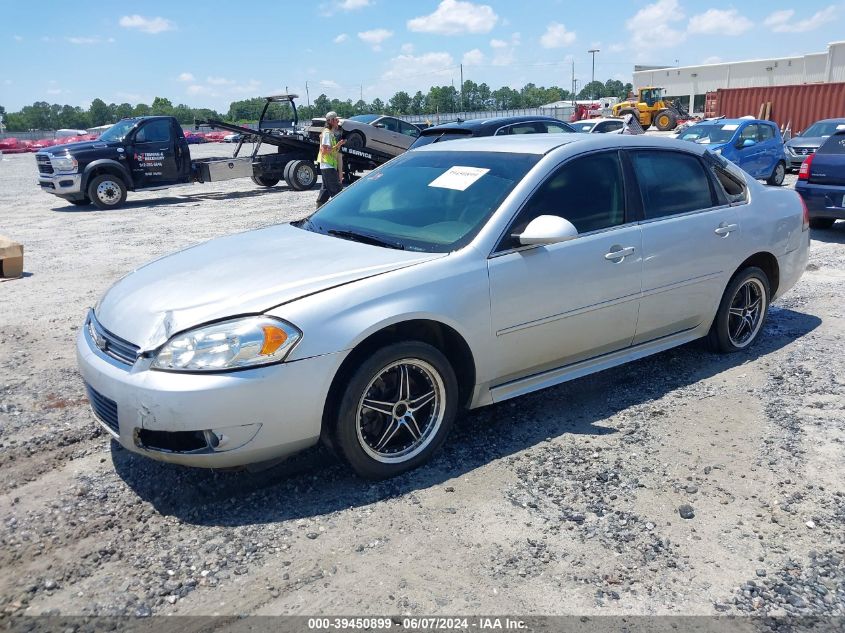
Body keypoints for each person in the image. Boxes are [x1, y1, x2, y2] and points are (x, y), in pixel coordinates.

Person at [315, 111, 345, 209]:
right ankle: (341, 213)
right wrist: (338, 145)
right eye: (336, 119)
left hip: (327, 166)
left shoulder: (329, 133)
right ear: (331, 121)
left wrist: (337, 146)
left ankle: (318, 210)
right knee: (337, 192)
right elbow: (325, 150)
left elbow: (329, 150)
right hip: (328, 166)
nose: (338, 121)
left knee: (325, 191)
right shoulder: (327, 133)